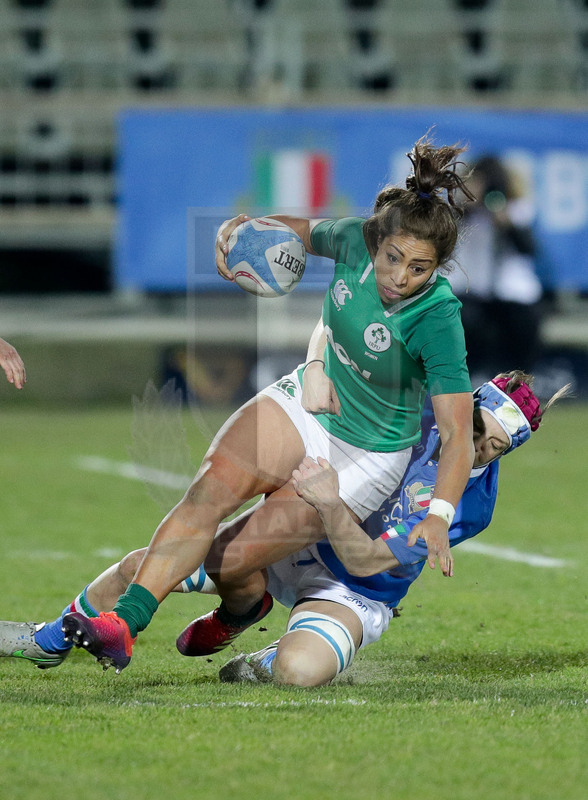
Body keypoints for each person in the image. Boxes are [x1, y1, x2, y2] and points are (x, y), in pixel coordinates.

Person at [61, 135, 475, 674]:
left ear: (437, 269)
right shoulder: (353, 238)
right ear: (376, 243)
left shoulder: (439, 319)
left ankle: (242, 606)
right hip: (308, 403)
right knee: (208, 491)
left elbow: (457, 433)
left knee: (232, 559)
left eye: (418, 268)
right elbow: (295, 231)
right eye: (393, 258)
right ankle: (123, 626)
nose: (400, 276)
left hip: (365, 455)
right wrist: (243, 233)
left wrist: (439, 515)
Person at [0, 372, 568, 685]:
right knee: (139, 569)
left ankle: (263, 654)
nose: (471, 448)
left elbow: (369, 561)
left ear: (504, 454)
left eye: (490, 447)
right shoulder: (412, 409)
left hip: (355, 587)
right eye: (472, 428)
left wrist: (326, 503)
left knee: (299, 673)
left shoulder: (469, 505)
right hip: (299, 532)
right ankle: (50, 639)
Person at [449, 155, 544, 380]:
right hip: (472, 292)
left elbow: (528, 249)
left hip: (510, 295)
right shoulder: (462, 212)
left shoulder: (517, 210)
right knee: (463, 324)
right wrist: (467, 205)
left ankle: (518, 386)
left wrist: (505, 220)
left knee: (522, 328)